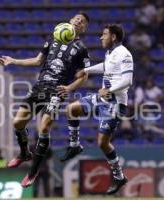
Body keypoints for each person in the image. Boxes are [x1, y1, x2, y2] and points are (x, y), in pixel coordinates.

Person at [0, 12, 90, 187]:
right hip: (40, 87)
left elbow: (83, 76)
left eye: (83, 21)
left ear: (84, 28)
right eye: (76, 18)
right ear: (69, 21)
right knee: (17, 123)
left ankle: (32, 173)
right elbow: (38, 60)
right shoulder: (52, 39)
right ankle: (24, 154)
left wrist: (69, 88)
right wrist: (13, 61)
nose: (78, 21)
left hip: (58, 90)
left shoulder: (81, 48)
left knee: (44, 125)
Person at [60, 24, 132, 194]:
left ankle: (119, 176)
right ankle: (75, 145)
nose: (101, 37)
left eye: (104, 34)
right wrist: (86, 70)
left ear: (113, 37)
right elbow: (106, 66)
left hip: (114, 103)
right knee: (71, 109)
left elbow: (127, 80)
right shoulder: (110, 54)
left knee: (102, 142)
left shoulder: (125, 54)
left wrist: (110, 89)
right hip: (102, 98)